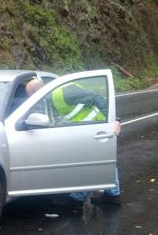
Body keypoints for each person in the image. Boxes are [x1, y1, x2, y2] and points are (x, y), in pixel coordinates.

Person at [25, 78, 122, 206]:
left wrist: (114, 120)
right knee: (95, 160)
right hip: (85, 130)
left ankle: (78, 197)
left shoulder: (64, 92)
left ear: (37, 93)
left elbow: (96, 97)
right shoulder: (50, 99)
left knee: (85, 162)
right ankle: (112, 194)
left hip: (95, 128)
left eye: (30, 97)